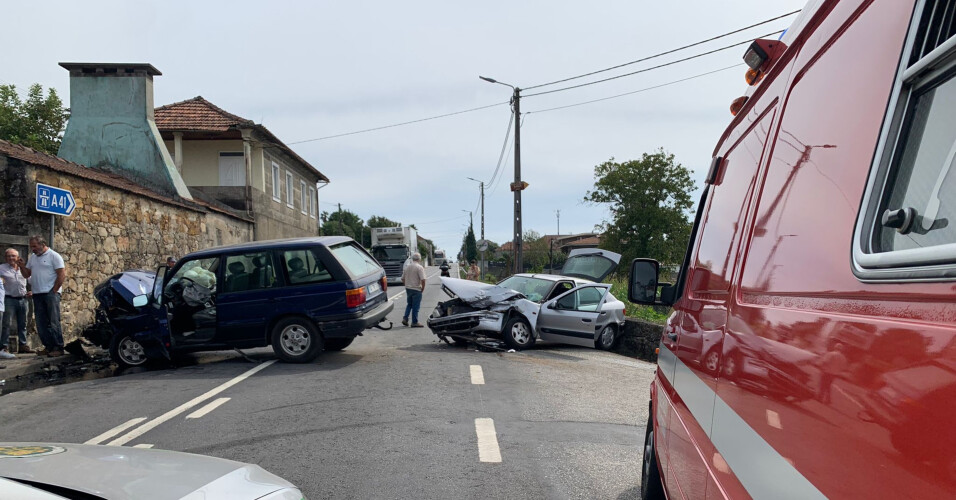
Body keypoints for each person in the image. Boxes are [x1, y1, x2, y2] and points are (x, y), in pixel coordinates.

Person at [19, 236, 66, 357]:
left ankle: (59, 347)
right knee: (41, 323)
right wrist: (22, 266)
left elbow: (61, 274)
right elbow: (26, 275)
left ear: (42, 244)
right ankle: (49, 347)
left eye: (34, 246)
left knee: (54, 321)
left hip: (50, 293)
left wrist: (55, 290)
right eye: (31, 246)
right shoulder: (33, 258)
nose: (32, 249)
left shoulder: (54, 256)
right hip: (37, 294)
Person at [0, 248, 31, 356]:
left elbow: (32, 280)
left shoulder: (24, 269)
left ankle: (23, 345)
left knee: (23, 324)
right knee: (6, 324)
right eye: (8, 256)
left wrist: (33, 291)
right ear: (5, 258)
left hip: (23, 299)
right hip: (9, 299)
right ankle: (4, 347)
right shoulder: (1, 268)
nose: (11, 258)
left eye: (13, 256)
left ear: (18, 258)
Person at [401, 252, 426, 327]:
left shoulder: (407, 267)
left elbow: (402, 279)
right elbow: (423, 280)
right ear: (419, 259)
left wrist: (407, 285)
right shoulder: (419, 267)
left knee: (409, 304)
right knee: (416, 306)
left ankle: (405, 318)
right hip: (416, 289)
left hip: (408, 288)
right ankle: (414, 322)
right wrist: (422, 289)